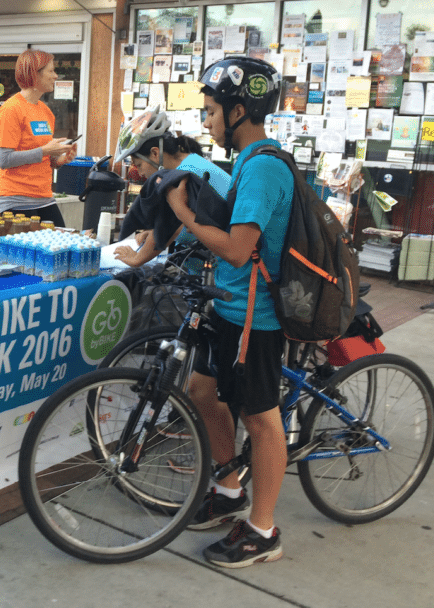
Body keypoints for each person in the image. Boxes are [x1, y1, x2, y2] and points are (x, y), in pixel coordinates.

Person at [164, 56, 292, 568]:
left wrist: (184, 216)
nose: (207, 121)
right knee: (201, 390)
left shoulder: (260, 168)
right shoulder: (247, 162)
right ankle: (230, 487)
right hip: (229, 307)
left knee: (260, 420)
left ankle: (264, 531)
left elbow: (239, 249)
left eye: (213, 110)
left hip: (254, 319)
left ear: (240, 110)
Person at [111, 105, 231, 268]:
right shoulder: (190, 161)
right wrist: (152, 232)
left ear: (155, 153)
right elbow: (181, 222)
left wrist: (137, 258)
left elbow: (169, 227)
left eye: (139, 165)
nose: (139, 173)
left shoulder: (182, 175)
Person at [0, 49, 76, 226]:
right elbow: (4, 159)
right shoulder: (11, 110)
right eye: (51, 71)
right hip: (14, 198)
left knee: (58, 246)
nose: (56, 76)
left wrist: (60, 159)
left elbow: (45, 158)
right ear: (34, 74)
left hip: (44, 196)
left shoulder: (45, 111)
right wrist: (45, 150)